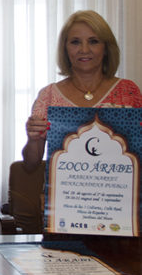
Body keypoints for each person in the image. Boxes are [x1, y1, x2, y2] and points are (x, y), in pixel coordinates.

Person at [22, 10, 142, 171]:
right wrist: (33, 139)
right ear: (65, 48)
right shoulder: (48, 95)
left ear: (106, 48)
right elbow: (30, 166)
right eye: (75, 42)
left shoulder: (129, 92)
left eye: (93, 41)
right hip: (65, 187)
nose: (84, 50)